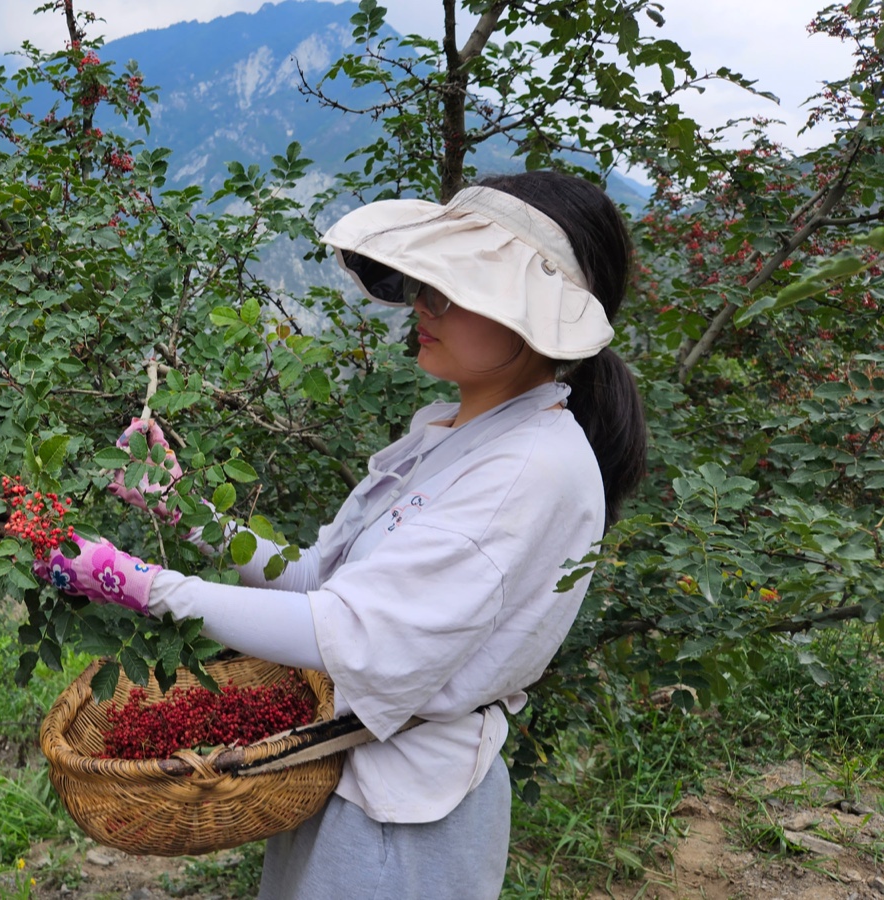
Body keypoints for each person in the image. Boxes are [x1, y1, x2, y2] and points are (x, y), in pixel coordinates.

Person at [43, 170, 648, 899]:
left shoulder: (529, 471)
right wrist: (181, 507)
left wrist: (138, 583)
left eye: (457, 289)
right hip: (344, 779)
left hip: (403, 827)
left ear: (534, 316)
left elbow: (341, 631)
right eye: (427, 281)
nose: (425, 304)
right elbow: (320, 582)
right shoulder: (452, 434)